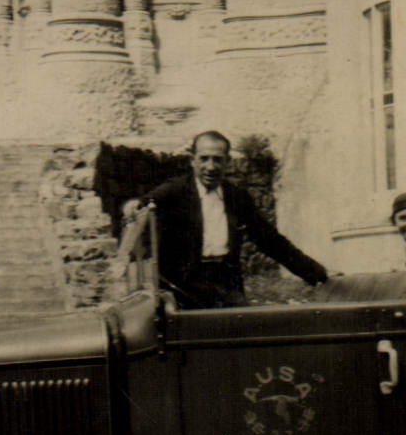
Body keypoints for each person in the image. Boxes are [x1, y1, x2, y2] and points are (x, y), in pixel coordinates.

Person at [123, 130, 328, 308]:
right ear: (192, 160)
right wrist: (133, 206)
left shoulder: (237, 197)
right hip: (182, 289)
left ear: (228, 161)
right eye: (204, 158)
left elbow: (270, 240)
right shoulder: (175, 191)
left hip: (226, 285)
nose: (210, 167)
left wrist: (318, 274)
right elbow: (143, 205)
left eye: (218, 159)